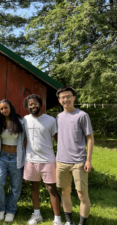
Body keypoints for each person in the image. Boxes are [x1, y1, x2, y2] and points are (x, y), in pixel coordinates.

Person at [56, 87, 94, 225]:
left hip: (79, 161)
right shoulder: (58, 117)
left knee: (81, 194)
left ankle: (81, 223)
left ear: (74, 98)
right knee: (65, 192)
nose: (66, 99)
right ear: (59, 100)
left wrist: (88, 160)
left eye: (68, 96)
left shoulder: (82, 115)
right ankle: (69, 222)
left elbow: (90, 138)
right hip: (61, 161)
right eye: (63, 97)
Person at [23, 94, 62, 225]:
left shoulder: (50, 120)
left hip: (48, 160)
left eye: (35, 103)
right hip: (31, 159)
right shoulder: (25, 120)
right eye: (30, 104)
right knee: (34, 187)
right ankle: (37, 214)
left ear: (40, 105)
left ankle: (57, 218)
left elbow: (58, 140)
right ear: (27, 106)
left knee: (51, 188)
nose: (33, 106)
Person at [0, 99, 25, 223]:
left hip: (16, 157)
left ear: (10, 107)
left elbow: (27, 136)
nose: (4, 110)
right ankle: (1, 209)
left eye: (6, 107)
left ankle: (11, 210)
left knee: (15, 187)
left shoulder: (20, 121)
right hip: (2, 156)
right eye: (1, 109)